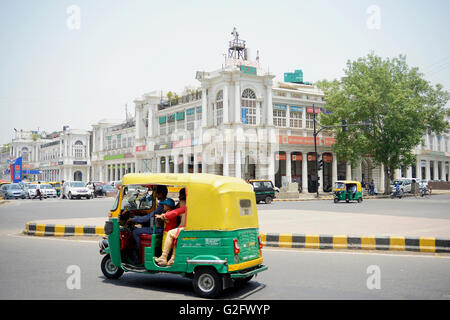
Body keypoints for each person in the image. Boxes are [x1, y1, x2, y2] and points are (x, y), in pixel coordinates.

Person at [126, 185, 173, 264]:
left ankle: (138, 254)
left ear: (161, 194)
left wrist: (134, 219)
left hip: (158, 230)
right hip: (160, 228)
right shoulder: (165, 203)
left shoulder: (162, 206)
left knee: (135, 232)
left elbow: (148, 217)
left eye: (157, 193)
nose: (156, 195)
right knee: (143, 227)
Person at [155, 188, 187, 266]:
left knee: (170, 233)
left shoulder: (183, 203)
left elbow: (177, 212)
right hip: (187, 226)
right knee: (176, 237)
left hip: (186, 227)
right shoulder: (189, 202)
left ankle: (163, 256)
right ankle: (172, 258)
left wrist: (164, 215)